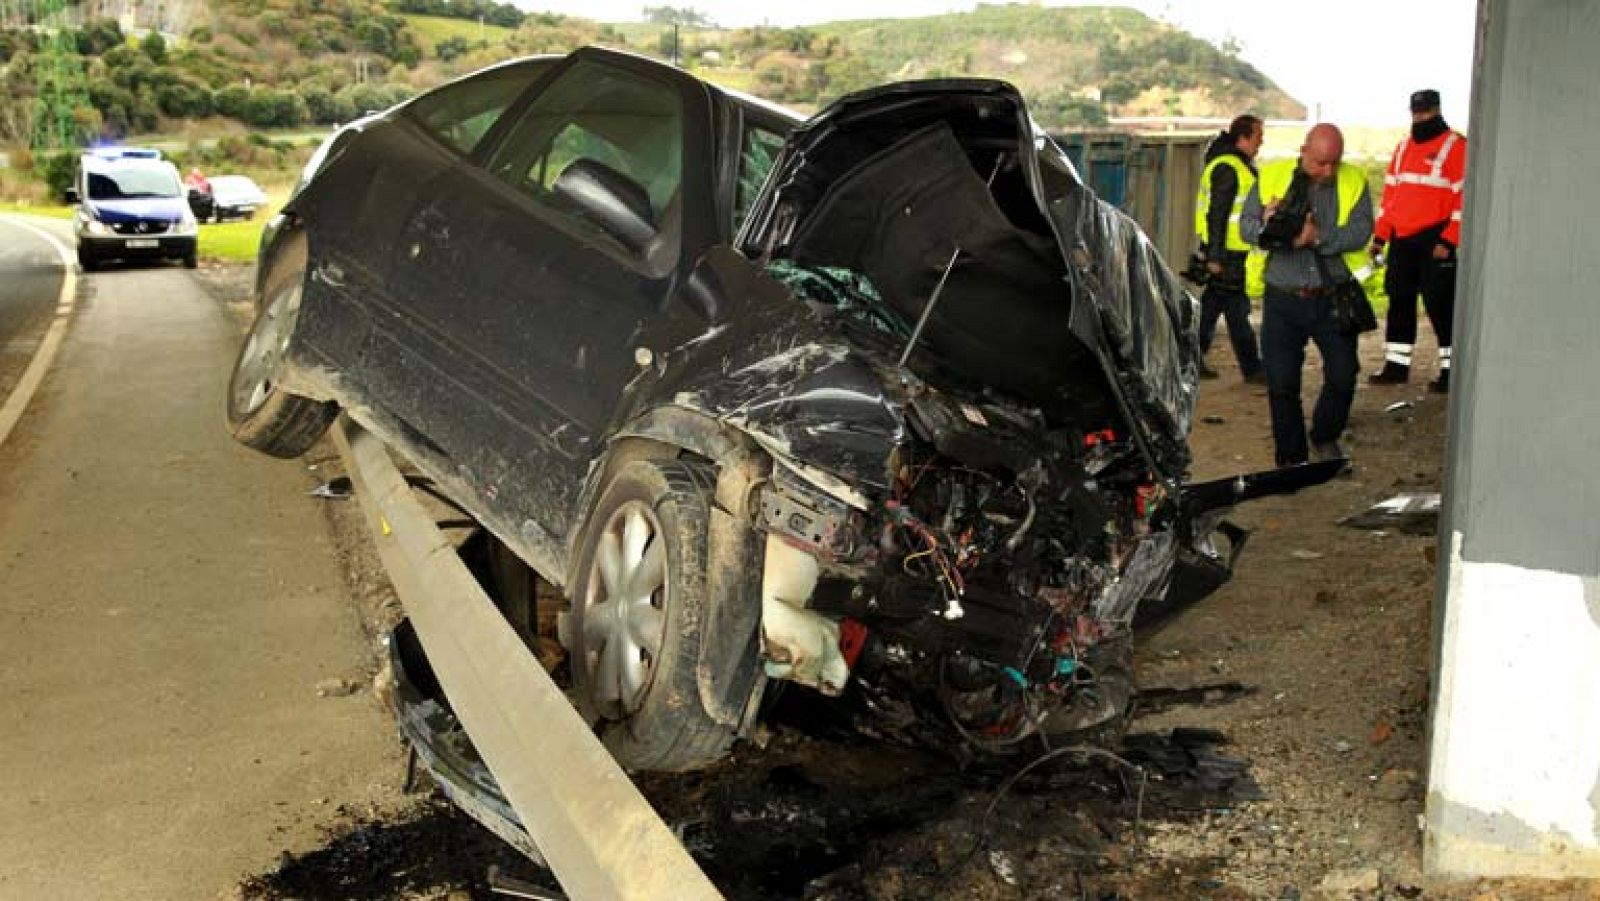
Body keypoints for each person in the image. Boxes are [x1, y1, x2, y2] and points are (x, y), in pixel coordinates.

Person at [1240, 123, 1375, 467]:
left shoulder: (1353, 180)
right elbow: (1245, 227)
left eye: (1334, 162)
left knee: (1343, 375)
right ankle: (1291, 457)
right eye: (1320, 163)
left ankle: (1325, 435)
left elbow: (1360, 232)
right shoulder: (1272, 178)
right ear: (1303, 151)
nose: (1328, 171)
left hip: (1332, 295)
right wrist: (1275, 231)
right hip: (1283, 297)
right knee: (1282, 381)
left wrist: (1316, 239)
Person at [1368, 89, 1466, 392]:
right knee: (1399, 300)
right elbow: (1390, 198)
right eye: (1416, 112)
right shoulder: (1403, 148)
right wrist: (1380, 236)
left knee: (1441, 305)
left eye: (1425, 112)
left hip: (1434, 238)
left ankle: (1451, 371)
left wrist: (1449, 241)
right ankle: (1397, 365)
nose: (1420, 118)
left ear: (1437, 110)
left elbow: (1464, 200)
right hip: (1402, 238)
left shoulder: (1457, 147)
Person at [1192, 114, 1266, 383]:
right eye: (1258, 135)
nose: (1262, 141)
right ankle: (1252, 368)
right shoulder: (1229, 167)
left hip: (1228, 251)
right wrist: (1214, 256)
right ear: (1243, 137)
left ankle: (1189, 362)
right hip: (1226, 252)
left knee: (1215, 308)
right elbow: (1218, 214)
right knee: (1234, 311)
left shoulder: (1233, 164)